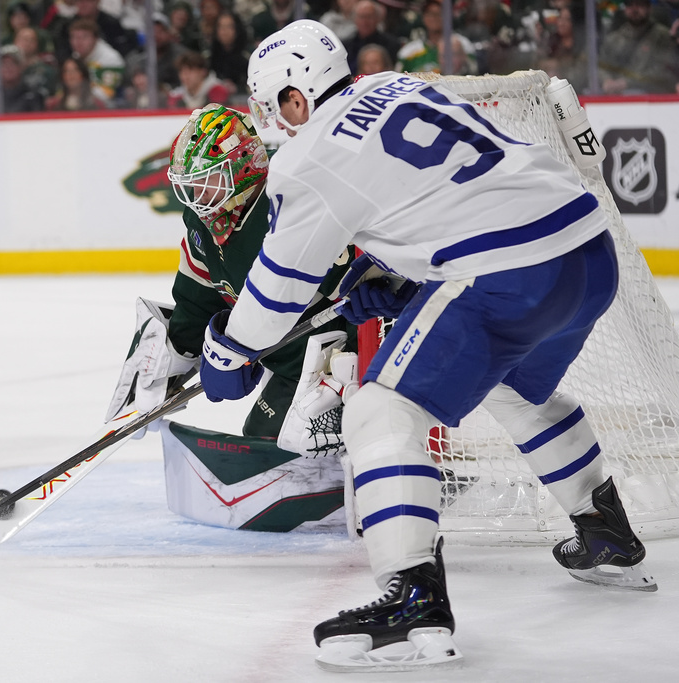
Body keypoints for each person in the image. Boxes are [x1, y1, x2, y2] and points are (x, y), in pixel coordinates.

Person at [200, 19, 655, 669]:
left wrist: (226, 351)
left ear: (296, 96)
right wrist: (404, 271)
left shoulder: (310, 157)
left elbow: (272, 304)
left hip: (508, 271)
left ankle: (412, 596)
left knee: (377, 410)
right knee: (513, 383)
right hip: (586, 249)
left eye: (275, 105)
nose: (277, 122)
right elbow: (455, 189)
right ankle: (606, 531)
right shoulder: (395, 85)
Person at [106, 102, 356, 476]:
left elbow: (347, 299)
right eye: (190, 186)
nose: (197, 197)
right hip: (288, 361)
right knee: (265, 445)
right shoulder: (204, 219)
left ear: (244, 169)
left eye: (207, 182)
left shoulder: (290, 203)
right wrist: (170, 361)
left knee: (287, 446)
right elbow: (198, 295)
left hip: (339, 358)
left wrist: (236, 348)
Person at [600, 0, 679, 95]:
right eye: (630, 5)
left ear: (649, 8)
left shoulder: (663, 37)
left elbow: (664, 71)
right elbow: (600, 65)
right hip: (615, 97)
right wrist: (606, 80)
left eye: (640, 5)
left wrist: (627, 83)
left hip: (652, 96)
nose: (634, 9)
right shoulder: (613, 39)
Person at [165, 50, 230, 109]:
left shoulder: (217, 91)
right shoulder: (177, 96)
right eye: (182, 71)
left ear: (202, 72)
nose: (185, 77)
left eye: (190, 71)